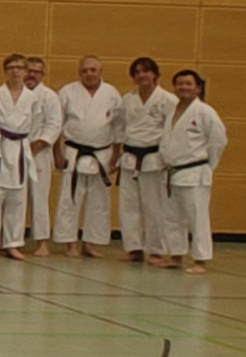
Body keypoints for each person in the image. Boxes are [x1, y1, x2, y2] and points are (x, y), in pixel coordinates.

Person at [53, 56, 122, 257]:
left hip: (102, 153)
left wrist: (115, 156)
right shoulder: (67, 92)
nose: (89, 73)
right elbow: (57, 125)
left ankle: (91, 243)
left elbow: (118, 128)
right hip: (73, 152)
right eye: (84, 70)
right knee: (70, 197)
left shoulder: (111, 93)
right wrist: (57, 153)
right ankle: (70, 243)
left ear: (101, 71)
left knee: (99, 201)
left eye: (93, 69)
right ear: (79, 72)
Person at [160, 70, 227, 274]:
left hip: (195, 171)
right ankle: (176, 255)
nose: (184, 87)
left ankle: (200, 260)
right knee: (172, 217)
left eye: (189, 84)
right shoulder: (173, 110)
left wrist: (208, 164)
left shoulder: (204, 111)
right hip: (172, 171)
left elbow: (219, 140)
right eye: (180, 84)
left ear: (197, 87)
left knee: (197, 217)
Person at [118, 57, 179, 267]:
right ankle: (133, 248)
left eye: (145, 71)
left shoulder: (168, 100)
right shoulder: (127, 99)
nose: (141, 75)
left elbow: (173, 132)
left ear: (155, 74)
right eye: (137, 72)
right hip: (129, 158)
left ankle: (156, 250)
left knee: (154, 206)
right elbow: (120, 130)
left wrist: (169, 159)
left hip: (154, 159)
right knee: (128, 205)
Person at [0, 53, 43, 259]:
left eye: (19, 67)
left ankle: (12, 243)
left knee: (17, 199)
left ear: (26, 71)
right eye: (11, 67)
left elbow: (35, 124)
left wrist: (27, 143)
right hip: (0, 146)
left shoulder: (32, 97)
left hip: (19, 147)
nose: (15, 71)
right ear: (5, 71)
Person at [23, 57, 64, 256]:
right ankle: (7, 240)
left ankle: (42, 242)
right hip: (14, 151)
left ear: (43, 74)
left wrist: (37, 145)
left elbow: (55, 124)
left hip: (39, 152)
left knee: (39, 197)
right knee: (12, 197)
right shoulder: (12, 93)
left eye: (36, 71)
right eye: (29, 70)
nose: (32, 74)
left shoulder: (49, 96)